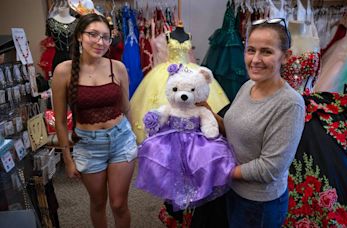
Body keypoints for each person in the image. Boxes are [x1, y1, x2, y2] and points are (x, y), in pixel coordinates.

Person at [201, 18, 305, 227]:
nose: (255, 59)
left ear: (285, 57)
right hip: (233, 189)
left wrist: (219, 170)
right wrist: (206, 111)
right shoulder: (248, 85)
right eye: (250, 50)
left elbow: (269, 168)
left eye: (266, 51)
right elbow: (233, 129)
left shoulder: (290, 104)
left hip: (259, 205)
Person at [51, 13, 137, 228]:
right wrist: (68, 160)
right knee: (98, 203)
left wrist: (135, 136)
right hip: (88, 145)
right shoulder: (63, 71)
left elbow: (126, 107)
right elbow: (60, 121)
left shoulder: (117, 67)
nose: (100, 42)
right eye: (93, 34)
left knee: (119, 204)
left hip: (121, 140)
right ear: (80, 35)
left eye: (106, 37)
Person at [129, 24, 229, 144]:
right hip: (170, 70)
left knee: (196, 97)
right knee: (170, 100)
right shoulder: (168, 35)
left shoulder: (189, 36)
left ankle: (200, 132)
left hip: (189, 69)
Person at [46, 5, 78, 72]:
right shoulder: (51, 22)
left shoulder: (77, 22)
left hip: (75, 58)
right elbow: (49, 36)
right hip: (58, 59)